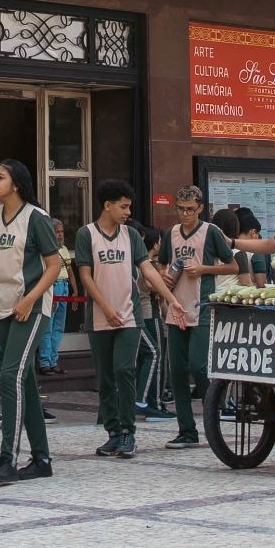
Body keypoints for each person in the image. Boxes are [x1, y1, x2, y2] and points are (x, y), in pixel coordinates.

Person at [75, 180, 170, 460]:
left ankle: (128, 431)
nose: (128, 212)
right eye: (124, 206)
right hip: (99, 317)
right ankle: (113, 433)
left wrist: (171, 299)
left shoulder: (131, 236)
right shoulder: (86, 234)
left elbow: (148, 270)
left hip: (129, 315)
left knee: (124, 370)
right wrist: (105, 308)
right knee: (105, 378)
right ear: (107, 205)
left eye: (129, 207)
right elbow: (85, 276)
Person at [0, 159, 60, 484]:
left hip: (31, 307)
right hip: (1, 307)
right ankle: (41, 459)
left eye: (0, 177)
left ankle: (7, 459)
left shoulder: (36, 217)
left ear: (16, 183)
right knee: (23, 381)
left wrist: (30, 298)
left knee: (10, 374)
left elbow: (54, 265)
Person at [158, 185, 233, 454]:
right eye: (181, 209)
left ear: (200, 208)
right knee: (177, 371)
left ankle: (216, 405)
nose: (185, 214)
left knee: (197, 363)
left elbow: (234, 265)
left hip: (201, 306)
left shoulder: (211, 232)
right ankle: (187, 430)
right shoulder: (171, 233)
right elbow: (162, 263)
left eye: (190, 209)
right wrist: (164, 276)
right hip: (176, 307)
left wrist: (203, 269)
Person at [133, 224, 172, 426]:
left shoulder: (139, 263)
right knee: (156, 355)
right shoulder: (146, 264)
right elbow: (151, 286)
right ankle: (153, 402)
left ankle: (151, 401)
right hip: (149, 313)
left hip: (145, 313)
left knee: (149, 357)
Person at [35, 219, 73, 375]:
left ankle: (53, 361)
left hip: (64, 286)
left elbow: (69, 271)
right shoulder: (46, 250)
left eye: (62, 232)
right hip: (52, 286)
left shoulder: (64, 249)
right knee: (47, 328)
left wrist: (75, 291)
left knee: (58, 327)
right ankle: (44, 363)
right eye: (57, 232)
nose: (60, 235)